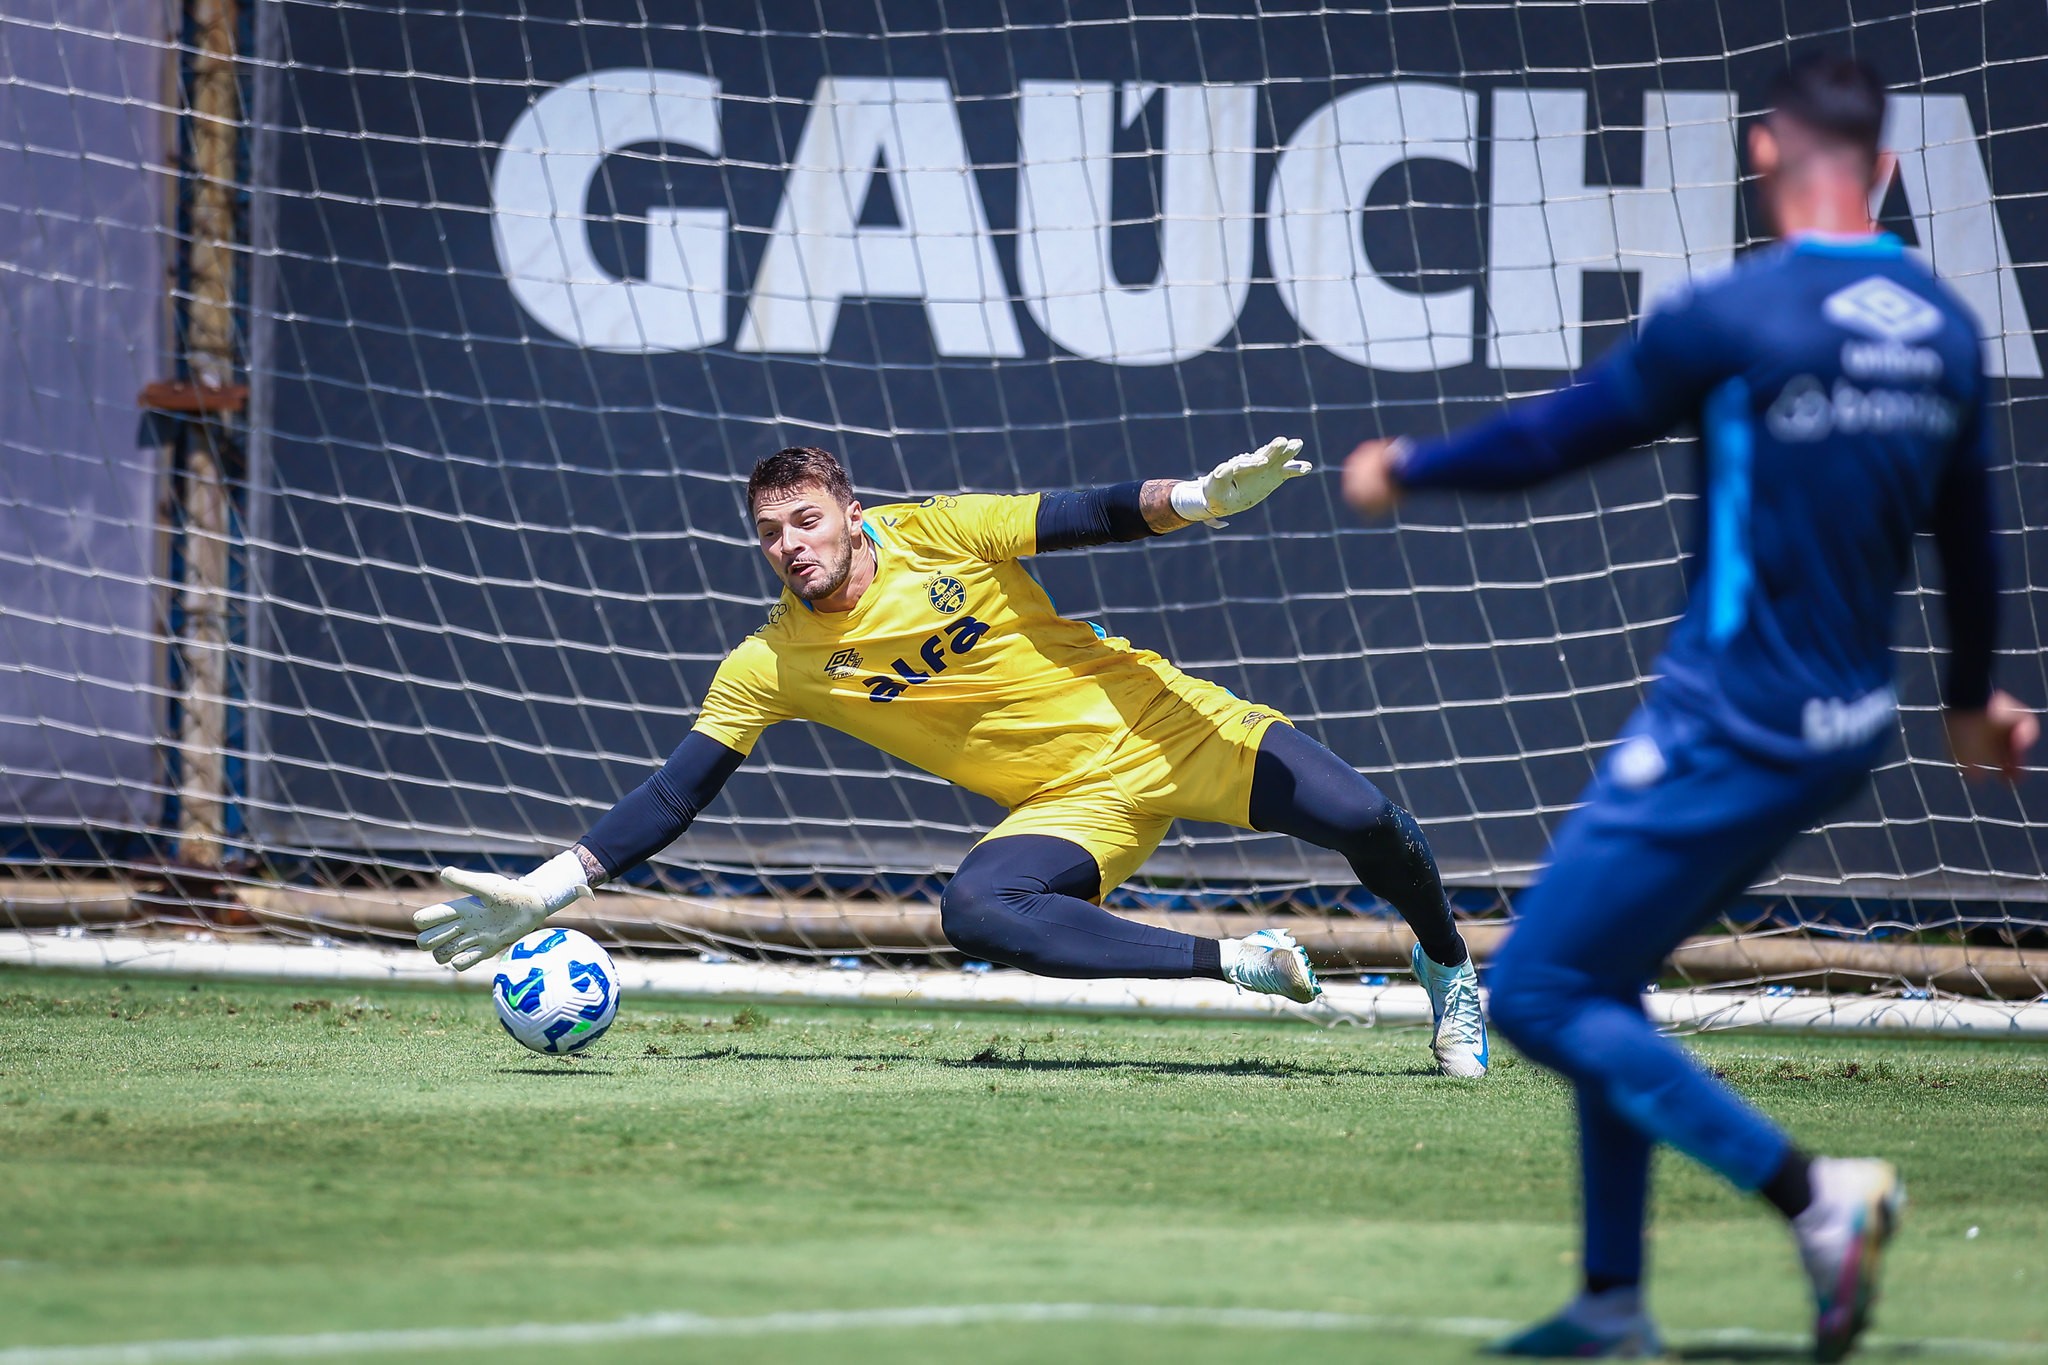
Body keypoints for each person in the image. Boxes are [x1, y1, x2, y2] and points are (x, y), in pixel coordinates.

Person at [1343, 53, 2035, 1359]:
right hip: (1844, 725)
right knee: (1606, 979)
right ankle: (1612, 1303)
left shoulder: (1737, 313)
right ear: (1884, 169)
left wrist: (1405, 467)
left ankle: (1815, 1195)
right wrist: (1971, 699)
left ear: (1766, 155)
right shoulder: (1942, 323)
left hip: (1733, 719)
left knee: (1542, 991)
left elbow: (1560, 437)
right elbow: (1973, 532)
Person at [416, 438, 1490, 1077]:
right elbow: (673, 793)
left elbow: (1088, 516)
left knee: (1365, 822)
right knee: (976, 910)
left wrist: (1199, 501)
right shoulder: (771, 661)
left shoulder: (938, 532)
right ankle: (1231, 964)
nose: (791, 544)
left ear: (850, 512)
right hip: (1071, 805)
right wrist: (545, 891)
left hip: (1167, 726)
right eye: (770, 532)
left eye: (806, 519)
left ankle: (1444, 964)